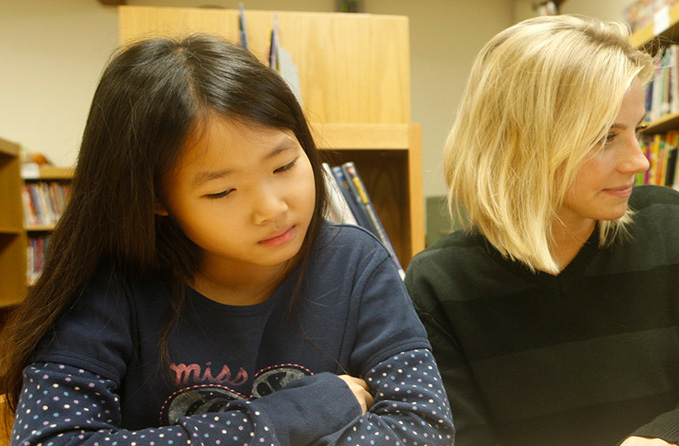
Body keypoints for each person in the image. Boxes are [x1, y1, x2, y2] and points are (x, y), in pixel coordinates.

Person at [0, 36, 454, 445]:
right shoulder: (110, 287)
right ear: (156, 198)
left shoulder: (356, 265)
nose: (273, 208)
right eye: (222, 191)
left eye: (284, 166)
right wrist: (296, 414)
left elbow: (422, 427)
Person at [404, 15, 679, 446]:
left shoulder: (672, 225)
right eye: (604, 137)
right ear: (520, 142)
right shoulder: (438, 285)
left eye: (637, 130)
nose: (639, 161)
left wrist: (669, 440)